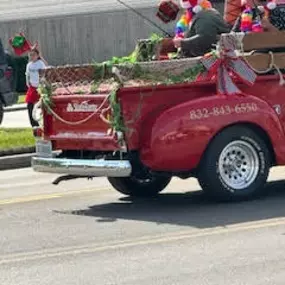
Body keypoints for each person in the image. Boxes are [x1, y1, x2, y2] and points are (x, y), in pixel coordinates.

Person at [25, 47, 47, 128]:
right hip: (32, 88)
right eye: (30, 55)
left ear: (37, 55)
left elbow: (45, 73)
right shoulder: (29, 65)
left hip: (41, 87)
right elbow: (27, 75)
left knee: (44, 106)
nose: (32, 56)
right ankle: (34, 124)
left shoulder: (40, 63)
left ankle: (46, 123)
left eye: (33, 55)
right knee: (29, 105)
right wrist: (28, 83)